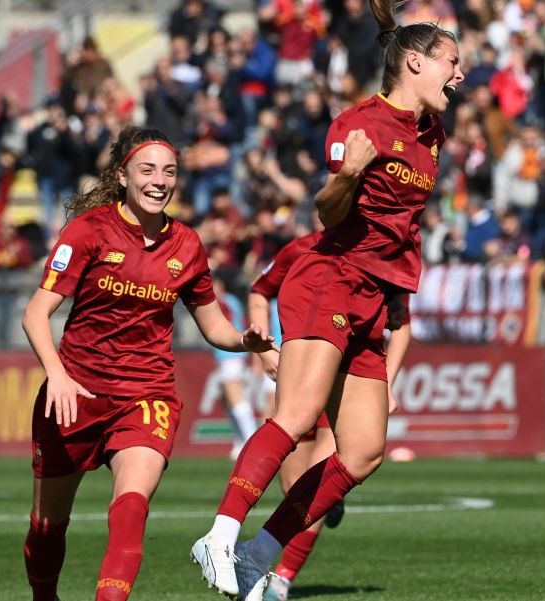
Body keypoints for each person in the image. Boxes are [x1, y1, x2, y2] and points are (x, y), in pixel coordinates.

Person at [191, 2, 464, 598]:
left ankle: (260, 555)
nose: (460, 75)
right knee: (294, 418)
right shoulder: (357, 126)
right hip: (330, 279)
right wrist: (347, 176)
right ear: (415, 63)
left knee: (363, 452)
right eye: (452, 62)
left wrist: (397, 294)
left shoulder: (433, 134)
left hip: (373, 295)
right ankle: (219, 533)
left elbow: (402, 226)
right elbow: (328, 211)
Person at [21, 125, 274, 601]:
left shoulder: (187, 245)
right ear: (123, 176)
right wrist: (56, 374)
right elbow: (36, 313)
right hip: (75, 395)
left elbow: (215, 327)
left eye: (169, 171)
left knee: (132, 506)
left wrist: (248, 340)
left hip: (146, 393)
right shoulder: (89, 231)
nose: (159, 180)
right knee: (46, 530)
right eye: (147, 169)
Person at [246, 230, 411, 601]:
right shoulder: (303, 247)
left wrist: (387, 382)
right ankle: (329, 500)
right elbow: (260, 290)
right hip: (298, 376)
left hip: (344, 381)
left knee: (319, 485)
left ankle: (282, 579)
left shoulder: (382, 253)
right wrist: (263, 351)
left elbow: (401, 325)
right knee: (294, 490)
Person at [212, 275, 260, 460]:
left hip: (231, 356)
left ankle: (250, 442)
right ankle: (240, 441)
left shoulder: (225, 302)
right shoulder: (229, 302)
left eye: (214, 284)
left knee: (237, 399)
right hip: (226, 356)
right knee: (227, 398)